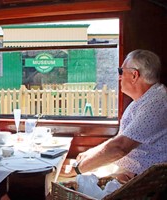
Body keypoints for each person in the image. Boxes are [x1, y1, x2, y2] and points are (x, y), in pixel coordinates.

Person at [62, 49, 167, 182]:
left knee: (64, 182)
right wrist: (90, 153)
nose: (119, 77)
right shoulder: (145, 99)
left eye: (121, 72)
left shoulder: (155, 104)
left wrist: (76, 169)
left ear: (134, 75)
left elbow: (120, 148)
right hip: (125, 170)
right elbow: (122, 138)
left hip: (140, 179)